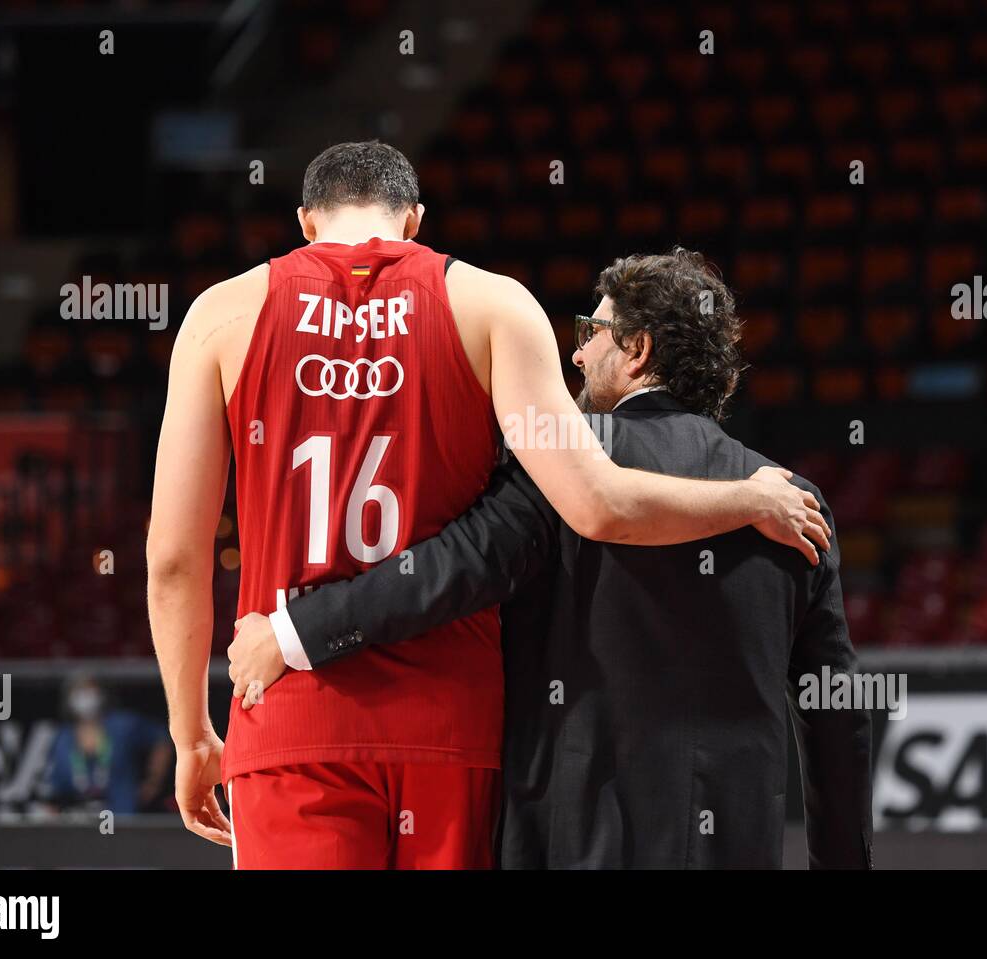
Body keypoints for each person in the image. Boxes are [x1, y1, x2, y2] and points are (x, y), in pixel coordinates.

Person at [147, 142, 830, 869]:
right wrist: (748, 499)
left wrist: (190, 735)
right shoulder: (494, 304)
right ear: (414, 221)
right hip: (452, 731)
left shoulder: (221, 315)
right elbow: (596, 504)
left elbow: (173, 559)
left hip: (293, 717)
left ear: (306, 223)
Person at [42, 675, 171, 815]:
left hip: (123, 818)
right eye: (79, 691)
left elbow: (161, 739)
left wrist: (153, 781)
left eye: (90, 690)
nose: (85, 697)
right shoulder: (64, 738)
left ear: (102, 694)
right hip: (81, 823)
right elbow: (56, 786)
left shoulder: (122, 726)